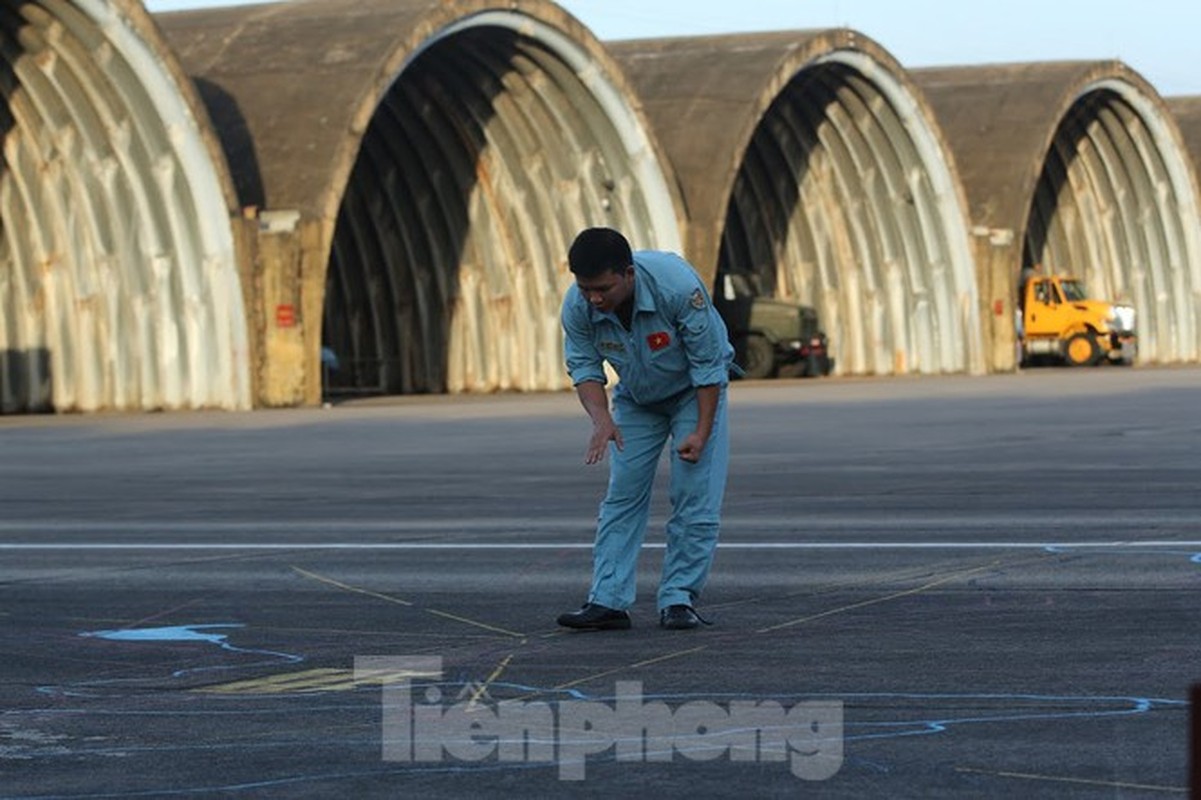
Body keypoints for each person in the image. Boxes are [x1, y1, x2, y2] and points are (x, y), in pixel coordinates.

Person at [556, 227, 735, 631]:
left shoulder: (678, 288)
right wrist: (601, 420)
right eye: (586, 288)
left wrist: (701, 433)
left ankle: (678, 598)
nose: (594, 298)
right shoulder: (578, 305)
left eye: (602, 288)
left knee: (693, 495)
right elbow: (584, 365)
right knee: (622, 494)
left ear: (629, 274)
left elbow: (709, 365)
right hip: (636, 398)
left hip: (693, 393)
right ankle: (607, 601)